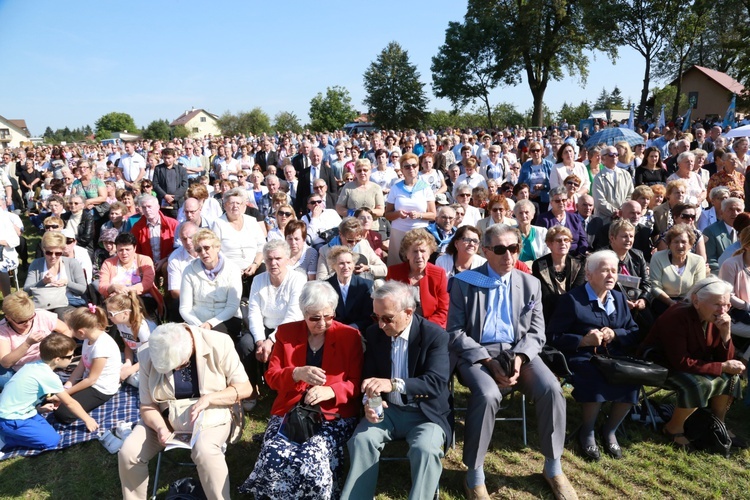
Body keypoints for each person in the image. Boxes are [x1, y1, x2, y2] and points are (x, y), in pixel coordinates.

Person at [447, 224, 575, 500]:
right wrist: (488, 361)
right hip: (478, 353)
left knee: (551, 389)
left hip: (519, 352)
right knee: (488, 393)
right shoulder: (464, 282)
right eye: (500, 249)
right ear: (485, 251)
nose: (508, 255)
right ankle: (474, 474)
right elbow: (455, 333)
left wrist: (519, 357)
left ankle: (553, 467)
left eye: (514, 248)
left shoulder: (529, 282)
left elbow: (536, 332)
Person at [240, 282, 364, 499]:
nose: (322, 323)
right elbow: (271, 377)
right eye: (315, 318)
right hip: (291, 411)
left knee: (312, 455)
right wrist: (295, 373)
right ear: (303, 313)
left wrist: (332, 391)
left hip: (331, 414)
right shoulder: (287, 333)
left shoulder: (349, 336)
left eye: (328, 316)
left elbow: (356, 382)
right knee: (274, 453)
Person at [341, 281, 451, 500]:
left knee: (425, 450)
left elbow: (436, 382)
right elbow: (369, 377)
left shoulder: (434, 335)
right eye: (376, 317)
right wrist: (371, 403)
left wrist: (392, 384)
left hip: (425, 414)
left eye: (387, 318)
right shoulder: (374, 334)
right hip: (389, 411)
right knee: (361, 440)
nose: (381, 325)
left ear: (408, 313)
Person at [118, 323, 253, 500]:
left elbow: (245, 388)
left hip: (212, 414)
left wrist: (210, 398)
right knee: (128, 452)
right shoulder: (147, 352)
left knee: (205, 451)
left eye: (179, 366)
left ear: (190, 347)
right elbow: (147, 405)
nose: (174, 372)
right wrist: (160, 427)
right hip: (165, 419)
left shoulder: (219, 342)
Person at [547, 250, 641, 460]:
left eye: (614, 271)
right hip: (581, 356)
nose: (611, 276)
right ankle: (587, 430)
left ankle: (609, 430)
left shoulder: (618, 297)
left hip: (613, 356)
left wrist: (615, 334)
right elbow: (552, 336)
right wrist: (582, 340)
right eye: (605, 270)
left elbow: (633, 331)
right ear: (589, 275)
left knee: (632, 378)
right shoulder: (572, 300)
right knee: (594, 376)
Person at [641, 277, 745, 450]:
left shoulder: (716, 318)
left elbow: (724, 359)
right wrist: (723, 366)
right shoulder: (677, 316)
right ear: (696, 301)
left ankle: (718, 423)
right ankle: (673, 427)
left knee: (729, 376)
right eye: (718, 304)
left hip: (692, 363)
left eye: (727, 305)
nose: (724, 310)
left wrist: (726, 334)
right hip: (662, 365)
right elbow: (681, 362)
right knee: (699, 384)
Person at [0, 333, 98, 451]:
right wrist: (87, 419)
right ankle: (6, 439)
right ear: (57, 359)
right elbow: (69, 402)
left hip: (22, 411)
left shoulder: (33, 365)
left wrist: (38, 409)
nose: (73, 358)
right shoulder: (48, 376)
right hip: (10, 419)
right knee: (52, 441)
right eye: (70, 356)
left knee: (48, 431)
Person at [242, 240, 306, 397]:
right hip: (264, 329)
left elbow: (293, 315)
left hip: (290, 328)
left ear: (287, 258)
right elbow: (254, 312)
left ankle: (282, 388)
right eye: (269, 259)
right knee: (245, 344)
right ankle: (251, 387)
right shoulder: (258, 280)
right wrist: (259, 341)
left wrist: (270, 341)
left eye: (278, 258)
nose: (273, 263)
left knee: (283, 346)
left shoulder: (298, 279)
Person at [53, 305, 123, 424]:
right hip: (88, 381)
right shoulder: (88, 339)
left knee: (62, 414)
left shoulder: (101, 347)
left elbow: (91, 380)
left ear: (80, 332)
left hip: (100, 389)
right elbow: (81, 365)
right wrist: (67, 386)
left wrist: (64, 395)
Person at [0, 290, 71, 388]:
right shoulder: (3, 329)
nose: (28, 323)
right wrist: (27, 344)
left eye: (31, 318)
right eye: (22, 322)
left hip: (47, 363)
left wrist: (57, 348)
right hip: (19, 368)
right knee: (4, 379)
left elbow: (66, 331)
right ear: (8, 317)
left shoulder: (41, 315)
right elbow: (5, 362)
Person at [387, 228, 449, 328]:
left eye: (423, 251)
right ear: (406, 254)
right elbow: (389, 306)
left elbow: (443, 310)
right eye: (415, 251)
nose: (419, 256)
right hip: (401, 326)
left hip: (430, 327)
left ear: (429, 253)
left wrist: (422, 327)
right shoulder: (394, 272)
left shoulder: (439, 274)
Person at [210, 188, 265, 298]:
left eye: (238, 203)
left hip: (255, 265)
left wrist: (255, 264)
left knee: (263, 275)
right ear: (225, 205)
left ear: (244, 206)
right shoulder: (218, 223)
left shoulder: (251, 221)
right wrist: (232, 268)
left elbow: (262, 246)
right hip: (229, 268)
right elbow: (215, 251)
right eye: (231, 203)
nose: (235, 206)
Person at [384, 153, 437, 266]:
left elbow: (433, 215)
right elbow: (387, 214)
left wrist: (419, 215)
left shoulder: (426, 188)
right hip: (399, 232)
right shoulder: (395, 188)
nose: (411, 169)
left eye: (414, 165)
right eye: (407, 166)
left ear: (418, 167)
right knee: (397, 265)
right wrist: (398, 214)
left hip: (420, 232)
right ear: (402, 170)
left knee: (418, 263)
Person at [650, 224, 707, 317]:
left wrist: (685, 303)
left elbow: (698, 288)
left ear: (690, 244)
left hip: (689, 302)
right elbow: (655, 286)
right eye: (676, 242)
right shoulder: (658, 257)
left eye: (684, 242)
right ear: (669, 244)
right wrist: (670, 302)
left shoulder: (698, 261)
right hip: (663, 301)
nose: (680, 245)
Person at [24, 231, 87, 314]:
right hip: (42, 304)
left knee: (61, 313)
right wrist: (43, 282)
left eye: (58, 253)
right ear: (43, 249)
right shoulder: (36, 264)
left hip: (68, 303)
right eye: (49, 253)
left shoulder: (72, 263)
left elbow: (82, 289)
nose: (53, 257)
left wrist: (67, 283)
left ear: (62, 251)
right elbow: (26, 290)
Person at [105, 291, 153, 388]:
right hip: (136, 359)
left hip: (149, 361)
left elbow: (150, 356)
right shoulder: (120, 324)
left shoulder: (142, 328)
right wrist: (128, 363)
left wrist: (129, 371)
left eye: (111, 314)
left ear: (125, 313)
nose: (109, 317)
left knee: (137, 381)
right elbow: (128, 346)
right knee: (107, 365)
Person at [316, 218, 387, 281]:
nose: (354, 244)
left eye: (357, 240)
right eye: (350, 241)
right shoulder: (325, 250)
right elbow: (320, 280)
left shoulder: (363, 244)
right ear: (340, 234)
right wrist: (344, 272)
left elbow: (383, 269)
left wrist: (368, 268)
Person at [325, 246, 374, 331]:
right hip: (332, 331)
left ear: (354, 264)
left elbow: (368, 318)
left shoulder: (365, 285)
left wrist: (348, 329)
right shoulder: (325, 286)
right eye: (341, 263)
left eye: (349, 262)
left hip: (358, 333)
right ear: (333, 266)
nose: (346, 266)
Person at [129, 194, 178, 276]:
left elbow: (178, 248)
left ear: (158, 207)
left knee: (167, 268)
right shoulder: (137, 227)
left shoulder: (173, 224)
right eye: (144, 207)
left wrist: (165, 259)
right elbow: (135, 250)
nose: (147, 210)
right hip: (146, 263)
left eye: (149, 206)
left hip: (168, 261)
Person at [98, 232, 156, 299]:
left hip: (141, 298)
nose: (124, 253)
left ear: (134, 248)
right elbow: (102, 286)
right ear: (116, 249)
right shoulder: (108, 263)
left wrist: (126, 291)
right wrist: (113, 287)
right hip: (115, 300)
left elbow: (147, 283)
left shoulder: (145, 260)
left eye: (127, 249)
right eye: (120, 250)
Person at [537, 186, 589, 256]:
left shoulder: (575, 218)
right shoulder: (543, 219)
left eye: (564, 200)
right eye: (557, 201)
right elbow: (542, 242)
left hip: (575, 257)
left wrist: (579, 256)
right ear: (551, 203)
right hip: (552, 257)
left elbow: (583, 240)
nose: (561, 203)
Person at [592, 145, 634, 224]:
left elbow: (630, 194)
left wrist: (622, 210)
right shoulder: (598, 177)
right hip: (605, 220)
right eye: (611, 154)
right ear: (603, 158)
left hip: (623, 219)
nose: (614, 156)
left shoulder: (626, 174)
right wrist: (614, 212)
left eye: (616, 154)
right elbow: (599, 201)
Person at [704, 197, 744, 274]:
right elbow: (711, 261)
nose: (735, 213)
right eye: (730, 210)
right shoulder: (710, 231)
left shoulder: (746, 231)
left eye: (738, 210)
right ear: (721, 213)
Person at [152, 147, 189, 220]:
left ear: (174, 157)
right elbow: (155, 184)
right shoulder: (158, 169)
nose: (166, 160)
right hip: (162, 202)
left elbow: (184, 185)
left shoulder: (181, 170)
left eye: (169, 158)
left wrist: (174, 197)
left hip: (177, 203)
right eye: (164, 158)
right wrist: (165, 196)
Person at [517, 140, 553, 212]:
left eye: (538, 150)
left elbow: (553, 182)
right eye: (533, 151)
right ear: (530, 153)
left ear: (542, 151)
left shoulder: (549, 165)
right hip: (530, 198)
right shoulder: (525, 165)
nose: (535, 152)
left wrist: (543, 186)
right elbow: (520, 183)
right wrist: (528, 192)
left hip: (545, 198)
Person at [514, 199, 549, 264]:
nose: (524, 216)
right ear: (516, 215)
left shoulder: (542, 232)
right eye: (520, 213)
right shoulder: (510, 232)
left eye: (527, 212)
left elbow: (547, 253)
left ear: (533, 215)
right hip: (517, 269)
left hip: (538, 268)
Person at [62, 194, 95, 260]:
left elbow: (86, 238)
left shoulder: (88, 218)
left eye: (76, 203)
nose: (73, 205)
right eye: (71, 203)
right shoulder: (64, 216)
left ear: (82, 205)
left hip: (83, 247)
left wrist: (71, 242)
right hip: (64, 246)